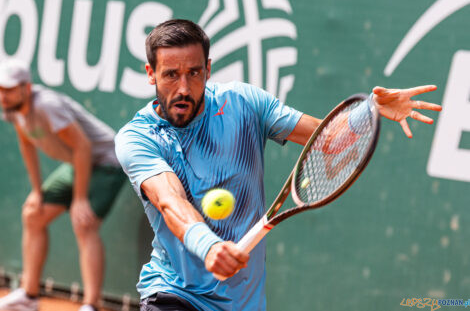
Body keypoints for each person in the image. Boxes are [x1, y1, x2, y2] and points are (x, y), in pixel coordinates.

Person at [114, 19, 442, 311]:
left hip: (243, 301)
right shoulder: (137, 137)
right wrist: (209, 246)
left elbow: (325, 141)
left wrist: (368, 111)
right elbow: (170, 202)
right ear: (150, 73)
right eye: (171, 75)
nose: (183, 88)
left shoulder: (243, 103)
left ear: (208, 69)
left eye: (194, 73)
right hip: (174, 294)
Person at [0, 59, 126, 311]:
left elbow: (83, 146)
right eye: (0, 89)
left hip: (107, 162)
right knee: (33, 215)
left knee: (84, 223)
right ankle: (29, 295)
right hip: (77, 163)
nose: (3, 95)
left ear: (27, 87)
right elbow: (27, 146)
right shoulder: (12, 109)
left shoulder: (48, 106)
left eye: (9, 89)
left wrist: (79, 199)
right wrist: (37, 191)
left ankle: (91, 304)